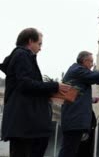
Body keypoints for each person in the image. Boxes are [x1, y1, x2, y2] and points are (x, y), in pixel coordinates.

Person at [0, 27, 70, 157]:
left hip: (25, 124)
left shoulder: (22, 56)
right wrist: (54, 86)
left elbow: (28, 86)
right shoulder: (22, 55)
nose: (40, 48)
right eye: (39, 44)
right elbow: (25, 84)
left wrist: (49, 94)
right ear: (30, 41)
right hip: (24, 124)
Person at [58, 51, 99, 157]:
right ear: (84, 61)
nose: (92, 64)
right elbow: (96, 77)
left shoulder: (77, 71)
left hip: (74, 118)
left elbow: (75, 94)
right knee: (68, 151)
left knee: (71, 150)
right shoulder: (77, 70)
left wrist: (91, 99)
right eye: (91, 61)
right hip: (74, 119)